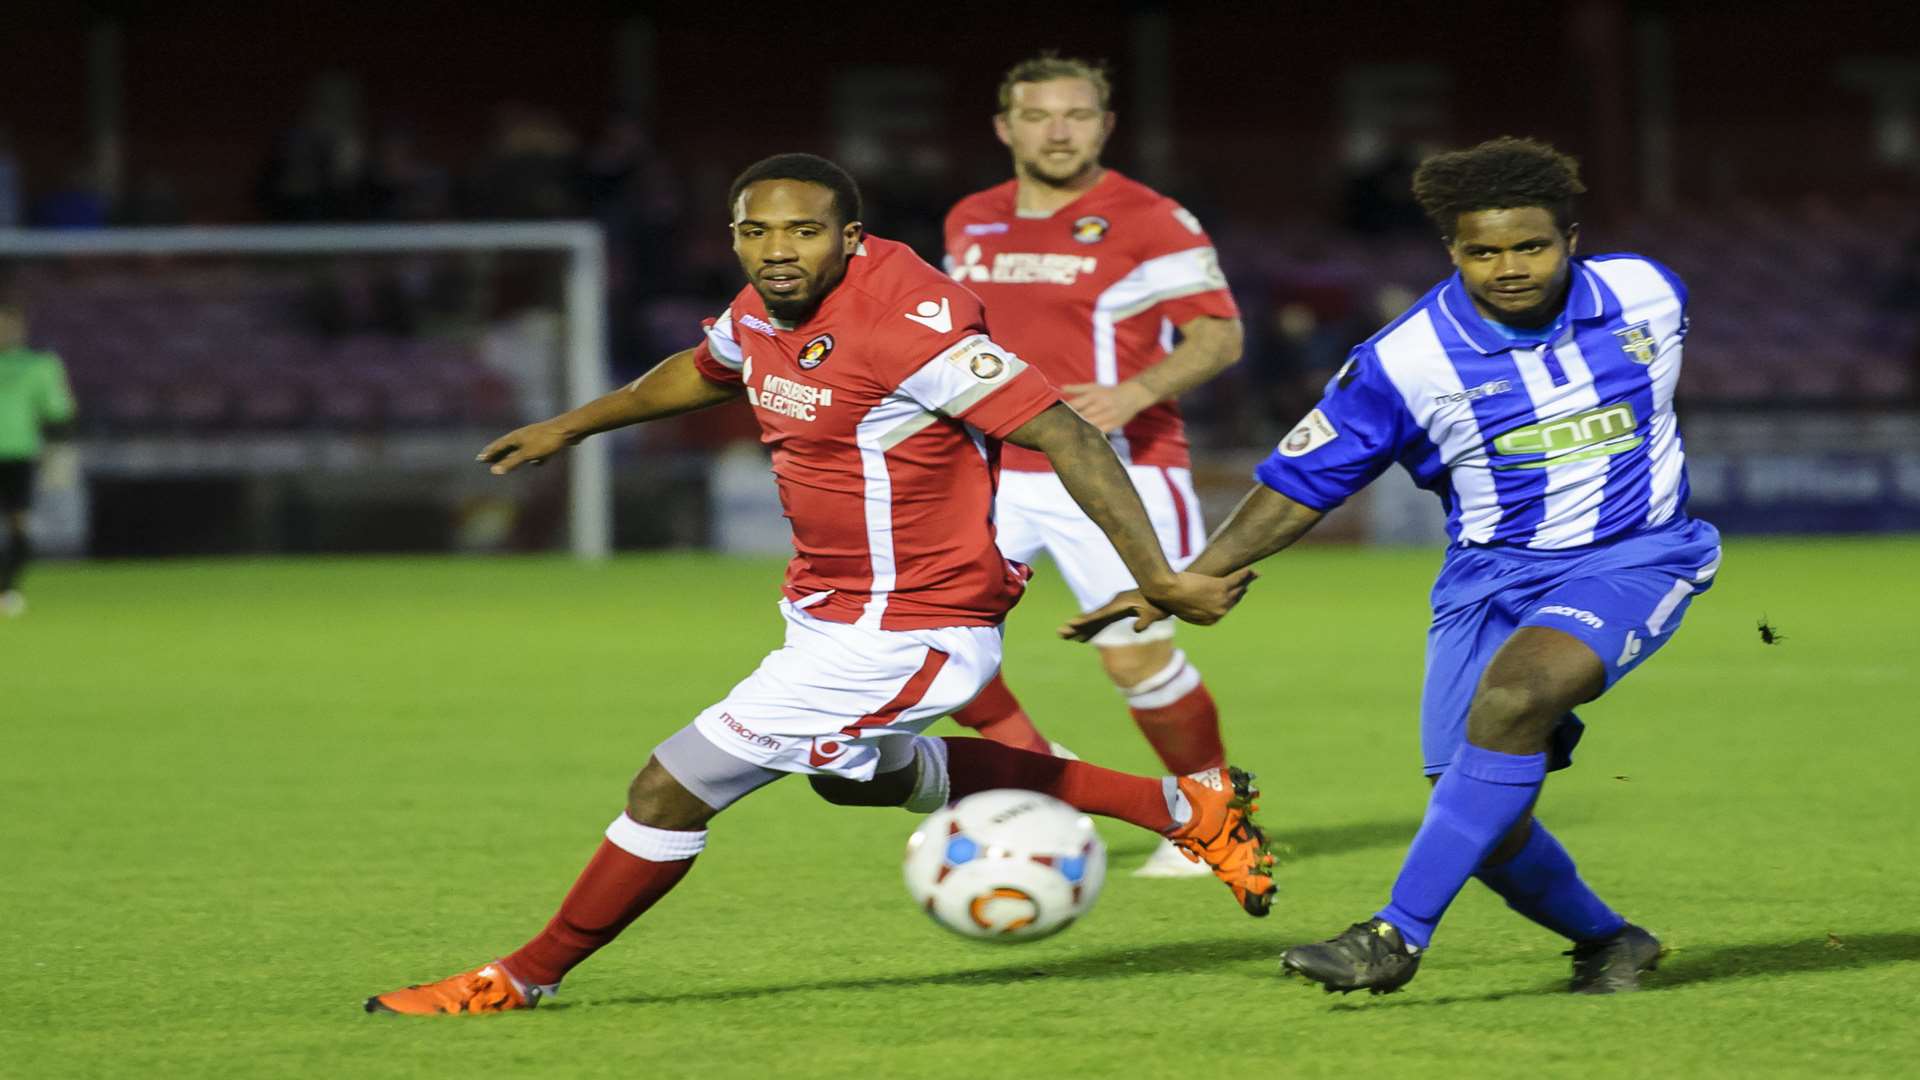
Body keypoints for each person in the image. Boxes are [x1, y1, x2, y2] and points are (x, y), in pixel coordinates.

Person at [365, 153, 1272, 1016]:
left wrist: (1160, 577)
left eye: (802, 232)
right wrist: (574, 425)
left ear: (850, 237)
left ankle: (520, 978)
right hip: (829, 610)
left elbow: (1067, 433)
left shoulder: (907, 327)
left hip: (913, 623)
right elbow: (709, 369)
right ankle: (1185, 807)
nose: (777, 250)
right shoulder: (765, 305)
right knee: (856, 781)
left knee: (668, 788)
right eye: (755, 233)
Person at [1067, 137, 1719, 994]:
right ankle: (1611, 942)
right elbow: (1302, 484)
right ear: (1452, 251)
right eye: (1483, 251)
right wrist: (1188, 575)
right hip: (1483, 580)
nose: (1509, 268)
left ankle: (1393, 936)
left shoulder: (1647, 293)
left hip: (1637, 556)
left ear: (1571, 237)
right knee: (1477, 810)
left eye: (1531, 246)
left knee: (1515, 699)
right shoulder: (1404, 361)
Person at [943, 53, 1246, 879]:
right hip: (993, 471)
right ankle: (1043, 776)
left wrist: (1134, 390)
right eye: (1039, 116)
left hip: (1120, 471)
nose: (1058, 130)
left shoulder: (1152, 219)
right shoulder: (970, 219)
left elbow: (1220, 335)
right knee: (927, 650)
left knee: (1133, 652)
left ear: (1105, 127)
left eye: (1076, 115)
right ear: (1006, 128)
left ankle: (1211, 815)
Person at [0, 301, 76, 617]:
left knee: (19, 524)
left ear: (20, 329)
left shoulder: (40, 366)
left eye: (6, 325)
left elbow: (59, 411)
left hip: (19, 454)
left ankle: (7, 588)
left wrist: (58, 451)